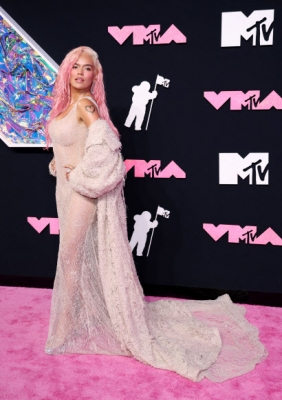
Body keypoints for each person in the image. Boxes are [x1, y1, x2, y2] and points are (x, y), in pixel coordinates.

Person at [45, 46, 267, 382]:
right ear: (66, 71)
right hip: (66, 190)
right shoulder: (65, 107)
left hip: (80, 193)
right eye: (75, 67)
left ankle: (63, 328)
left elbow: (106, 146)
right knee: (73, 258)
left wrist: (78, 174)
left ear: (95, 76)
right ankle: (73, 320)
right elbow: (73, 146)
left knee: (70, 259)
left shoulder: (86, 105)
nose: (80, 73)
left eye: (87, 68)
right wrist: (60, 163)